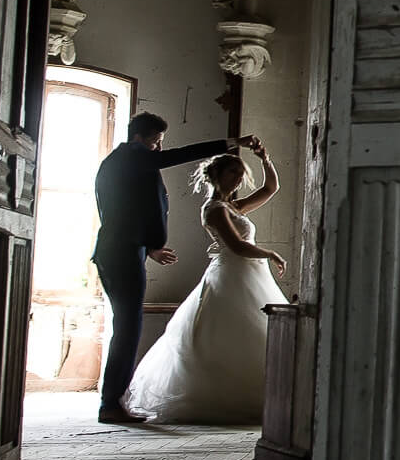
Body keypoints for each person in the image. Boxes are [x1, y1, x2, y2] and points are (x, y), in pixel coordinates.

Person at [91, 114, 257, 425]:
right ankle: (110, 404)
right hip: (122, 252)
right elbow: (176, 157)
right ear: (145, 137)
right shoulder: (133, 156)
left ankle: (113, 401)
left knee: (127, 325)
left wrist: (149, 245)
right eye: (157, 140)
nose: (159, 147)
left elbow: (125, 209)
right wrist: (234, 142)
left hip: (124, 249)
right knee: (128, 327)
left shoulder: (121, 163)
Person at [122, 138, 287, 424]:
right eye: (232, 173)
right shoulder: (215, 209)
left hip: (249, 273)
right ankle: (226, 398)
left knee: (259, 331)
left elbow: (271, 189)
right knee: (230, 334)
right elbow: (236, 246)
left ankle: (268, 396)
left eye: (239, 173)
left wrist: (265, 158)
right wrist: (270, 252)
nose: (238, 178)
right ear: (217, 175)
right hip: (231, 273)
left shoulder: (233, 206)